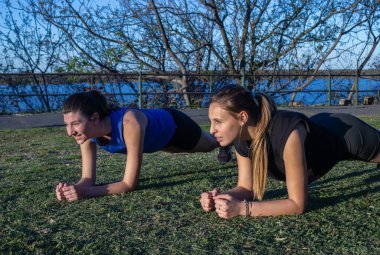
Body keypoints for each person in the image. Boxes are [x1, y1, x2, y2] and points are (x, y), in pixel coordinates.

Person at [200, 85, 380, 218]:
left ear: (243, 118)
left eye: (218, 121)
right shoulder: (241, 139)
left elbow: (297, 205)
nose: (212, 130)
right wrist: (223, 198)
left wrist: (241, 209)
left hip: (347, 136)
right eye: (211, 121)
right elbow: (247, 188)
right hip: (321, 126)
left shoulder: (288, 133)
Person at [56, 90, 231, 201]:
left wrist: (86, 192)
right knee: (172, 151)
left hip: (175, 127)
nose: (69, 132)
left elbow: (129, 184)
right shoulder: (85, 135)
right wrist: (75, 188)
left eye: (75, 124)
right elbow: (88, 179)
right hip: (157, 143)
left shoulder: (129, 122)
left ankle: (231, 139)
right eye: (67, 124)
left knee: (209, 144)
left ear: (94, 118)